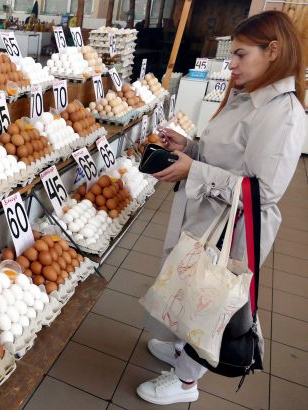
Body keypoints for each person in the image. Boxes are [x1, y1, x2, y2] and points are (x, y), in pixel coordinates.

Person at [136, 10, 306, 405]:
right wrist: (190, 147)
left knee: (209, 298)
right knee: (191, 287)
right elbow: (227, 158)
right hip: (212, 215)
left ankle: (186, 381)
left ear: (273, 51)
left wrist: (193, 169)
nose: (232, 64)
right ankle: (182, 349)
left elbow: (263, 191)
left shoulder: (282, 114)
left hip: (235, 227)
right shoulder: (248, 98)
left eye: (242, 54)